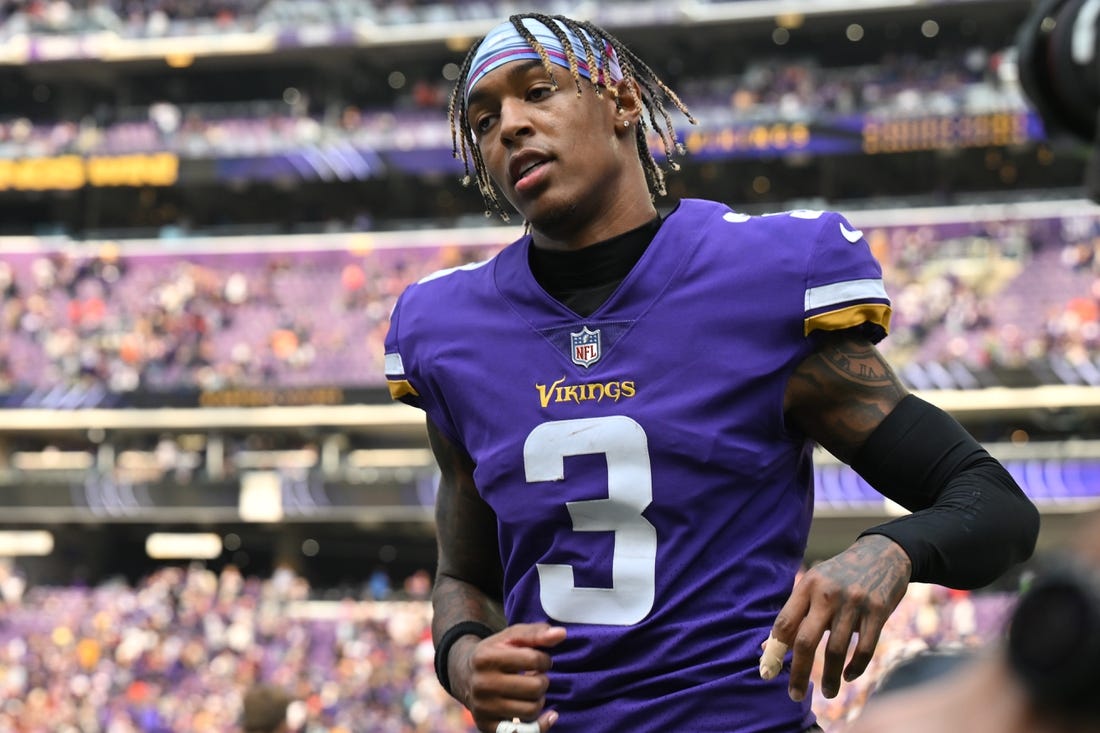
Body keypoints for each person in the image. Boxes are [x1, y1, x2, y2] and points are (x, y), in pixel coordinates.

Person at [382, 13, 1040, 733]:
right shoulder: (449, 328)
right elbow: (464, 577)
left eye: (539, 91)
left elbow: (994, 504)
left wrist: (890, 548)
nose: (508, 126)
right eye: (482, 120)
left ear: (624, 103)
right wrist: (464, 654)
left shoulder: (759, 282)